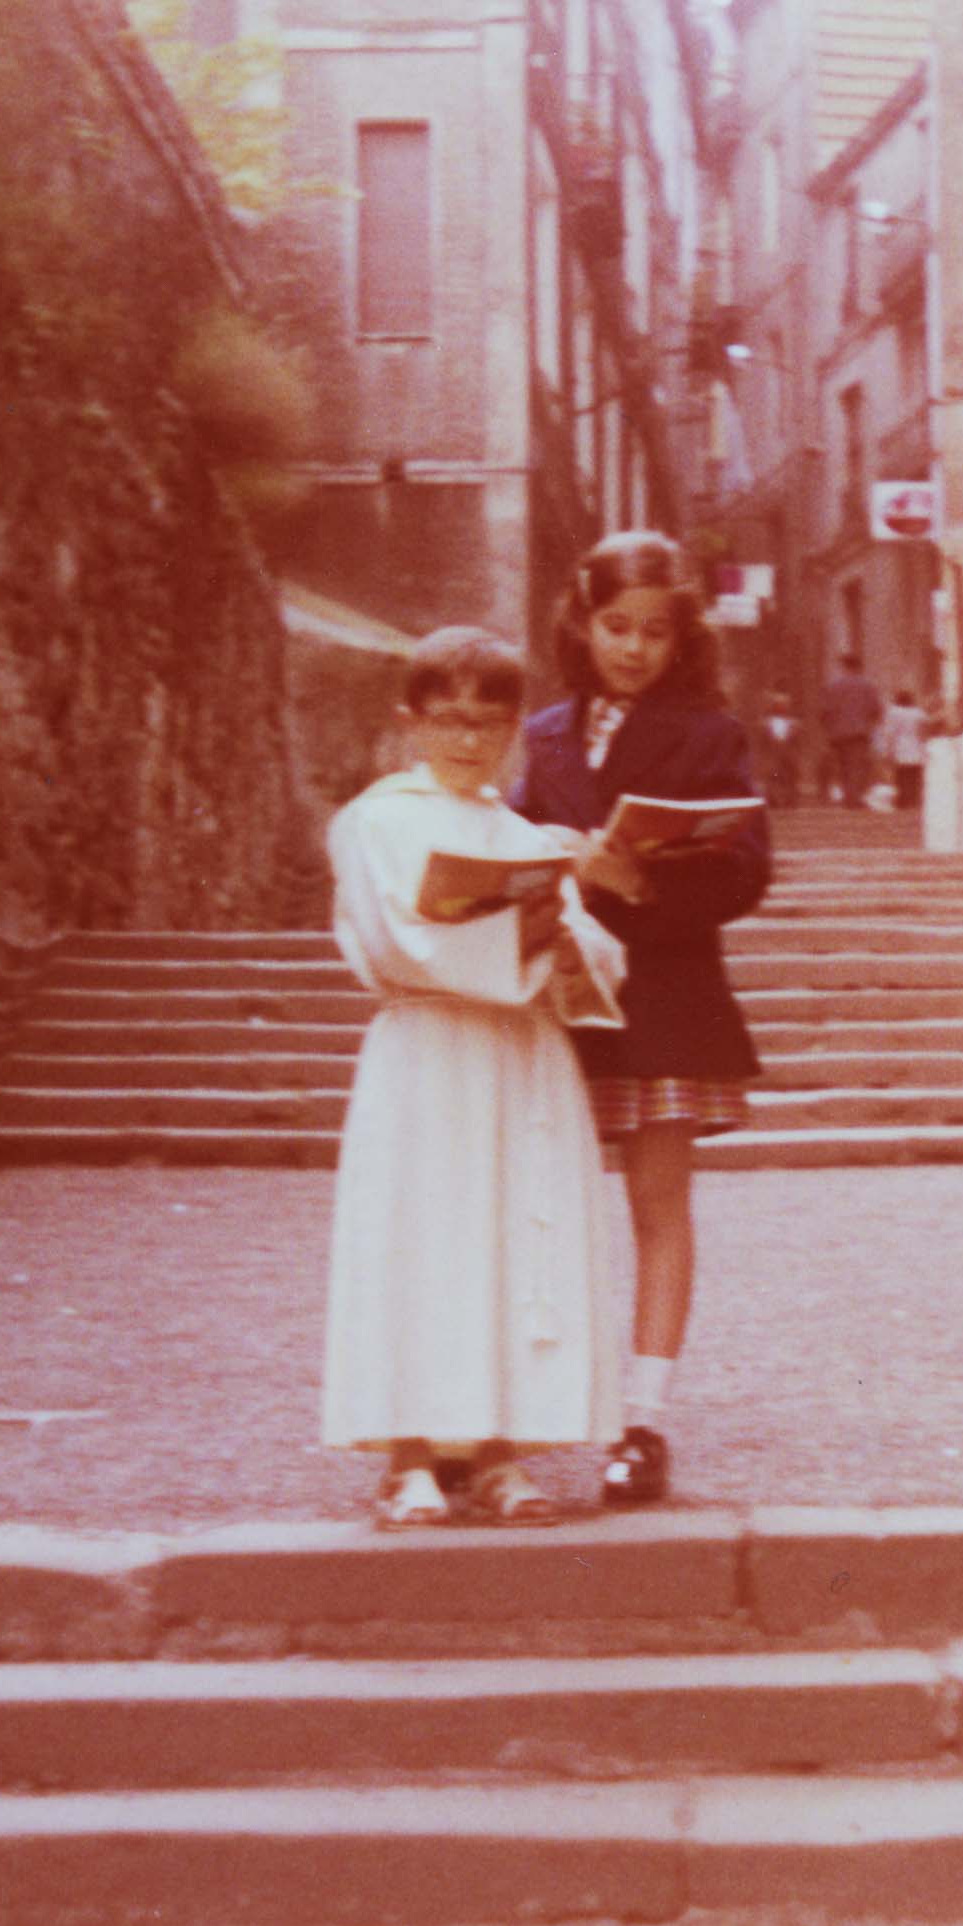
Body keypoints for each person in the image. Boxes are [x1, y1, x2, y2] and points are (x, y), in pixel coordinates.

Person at [323, 627, 628, 1530]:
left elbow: (599, 957)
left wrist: (567, 929)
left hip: (520, 1057)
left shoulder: (523, 834)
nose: (466, 742)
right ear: (410, 721)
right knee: (422, 1241)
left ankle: (499, 1452)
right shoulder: (378, 821)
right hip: (429, 1055)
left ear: (514, 730)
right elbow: (400, 942)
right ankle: (411, 1456)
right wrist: (515, 935)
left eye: (488, 724)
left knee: (507, 1241)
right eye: (448, 721)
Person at [514, 531, 771, 1508]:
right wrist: (537, 853)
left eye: (655, 633)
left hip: (666, 996)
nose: (632, 648)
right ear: (580, 623)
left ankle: (643, 1420)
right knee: (540, 1205)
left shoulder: (710, 735)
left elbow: (748, 872)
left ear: (681, 639)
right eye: (615, 626)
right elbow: (503, 838)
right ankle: (524, 1407)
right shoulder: (540, 733)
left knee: (659, 1209)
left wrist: (639, 880)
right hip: (563, 999)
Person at [820, 652, 882, 808]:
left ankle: (849, 797)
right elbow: (876, 709)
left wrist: (828, 727)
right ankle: (854, 799)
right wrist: (870, 724)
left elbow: (824, 710)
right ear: (859, 666)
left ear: (844, 666)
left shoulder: (833, 685)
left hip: (838, 733)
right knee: (856, 766)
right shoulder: (868, 685)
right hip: (859, 732)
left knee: (842, 767)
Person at [883, 688, 929, 812]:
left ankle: (903, 801)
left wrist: (888, 750)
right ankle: (914, 801)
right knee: (914, 776)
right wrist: (924, 747)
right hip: (916, 746)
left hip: (900, 746)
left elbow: (890, 733)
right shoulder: (919, 713)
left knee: (901, 776)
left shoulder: (893, 712)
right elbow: (923, 731)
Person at [759, 689, 802, 808]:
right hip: (773, 755)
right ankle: (773, 799)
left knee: (790, 776)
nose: (781, 707)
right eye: (778, 705)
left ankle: (790, 800)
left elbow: (797, 742)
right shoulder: (766, 723)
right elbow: (763, 742)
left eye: (784, 705)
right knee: (773, 776)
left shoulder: (794, 723)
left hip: (789, 754)